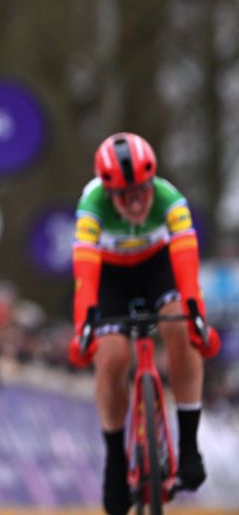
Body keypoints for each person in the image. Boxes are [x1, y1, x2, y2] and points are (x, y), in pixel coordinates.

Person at [68, 132, 220, 515]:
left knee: (178, 326)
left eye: (141, 191)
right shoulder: (92, 205)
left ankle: (188, 447)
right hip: (111, 279)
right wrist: (83, 325)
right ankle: (115, 463)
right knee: (113, 356)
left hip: (158, 270)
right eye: (124, 195)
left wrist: (196, 316)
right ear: (108, 191)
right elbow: (85, 274)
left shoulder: (170, 199)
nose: (136, 202)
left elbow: (186, 267)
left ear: (152, 182)